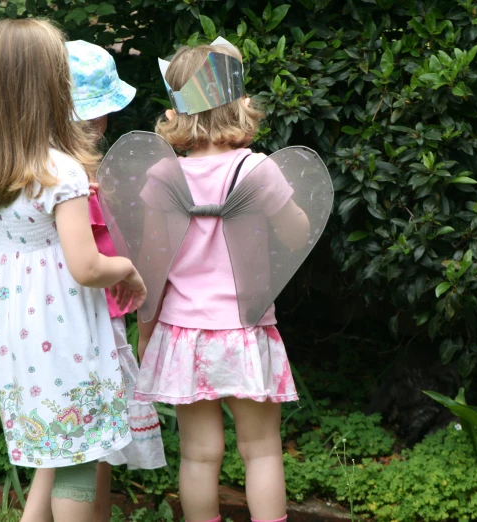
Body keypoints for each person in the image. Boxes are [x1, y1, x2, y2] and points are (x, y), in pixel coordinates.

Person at [0, 19, 146, 522]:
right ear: (48, 88)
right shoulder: (60, 170)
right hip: (66, 331)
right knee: (79, 455)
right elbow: (85, 266)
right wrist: (126, 268)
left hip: (13, 330)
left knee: (54, 444)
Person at [132, 42, 312, 522]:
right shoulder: (256, 169)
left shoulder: (164, 175)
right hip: (245, 331)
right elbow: (297, 234)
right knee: (262, 450)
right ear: (238, 103)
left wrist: (145, 333)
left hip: (184, 334)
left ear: (178, 110)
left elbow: (154, 264)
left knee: (198, 455)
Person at [22, 40, 166, 522]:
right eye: (96, 116)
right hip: (91, 323)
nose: (101, 126)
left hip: (52, 317)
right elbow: (92, 259)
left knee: (65, 445)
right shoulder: (72, 180)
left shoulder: (41, 171)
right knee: (90, 438)